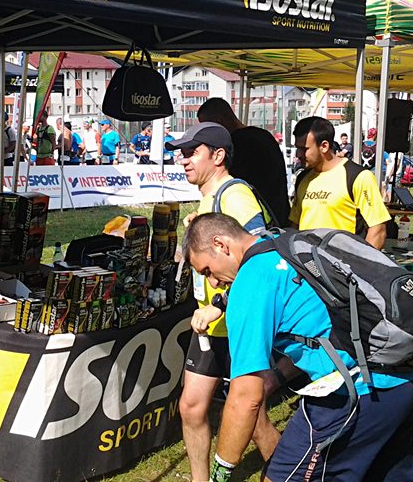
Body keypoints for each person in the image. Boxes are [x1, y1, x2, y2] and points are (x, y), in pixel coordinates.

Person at [183, 213, 413, 482]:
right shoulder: (283, 241)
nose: (213, 282)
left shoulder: (250, 283)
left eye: (207, 271)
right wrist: (219, 305)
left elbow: (245, 398)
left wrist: (220, 472)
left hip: (355, 393)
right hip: (405, 380)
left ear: (220, 244)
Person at [165, 123, 282, 481]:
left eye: (192, 152)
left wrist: (220, 303)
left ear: (218, 156)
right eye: (181, 153)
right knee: (191, 407)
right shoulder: (209, 196)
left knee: (254, 418)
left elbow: (261, 259)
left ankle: (286, 473)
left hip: (235, 322)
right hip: (211, 327)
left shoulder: (235, 194)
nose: (183, 160)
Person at [290, 116, 389, 250]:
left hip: (343, 261)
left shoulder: (358, 177)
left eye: (304, 149)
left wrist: (361, 262)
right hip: (306, 260)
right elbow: (294, 224)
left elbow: (378, 230)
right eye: (297, 148)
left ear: (324, 146)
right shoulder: (302, 178)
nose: (298, 154)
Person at [197, 97, 289, 227]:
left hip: (254, 219)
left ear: (219, 121)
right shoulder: (264, 135)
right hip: (278, 214)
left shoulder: (237, 143)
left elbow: (229, 182)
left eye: (208, 127)